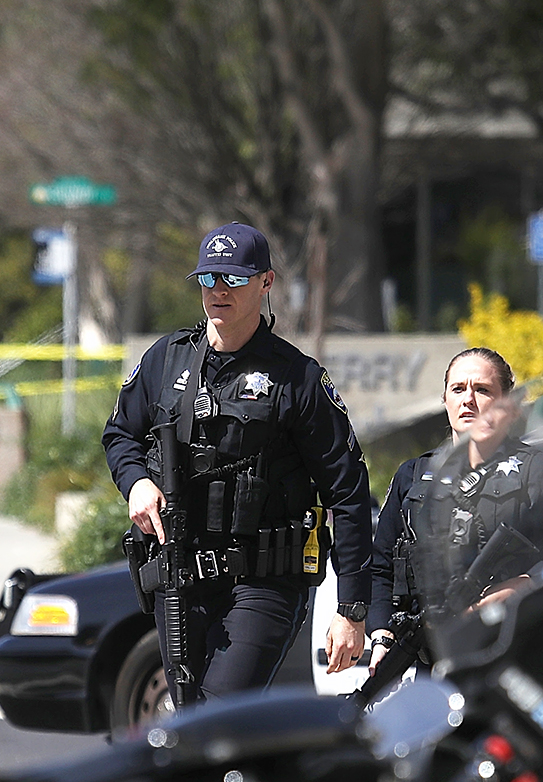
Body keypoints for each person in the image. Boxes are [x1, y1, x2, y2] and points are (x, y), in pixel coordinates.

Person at [102, 222, 372, 705]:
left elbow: (347, 490)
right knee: (188, 718)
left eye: (232, 279)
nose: (218, 291)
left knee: (219, 712)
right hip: (178, 571)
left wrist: (351, 607)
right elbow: (121, 433)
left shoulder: (298, 378)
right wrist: (137, 482)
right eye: (208, 279)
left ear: (266, 282)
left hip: (263, 580)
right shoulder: (167, 359)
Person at [367, 346, 543, 664]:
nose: (468, 400)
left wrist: (524, 586)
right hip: (428, 654)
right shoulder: (412, 475)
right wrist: (382, 638)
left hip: (513, 651)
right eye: (457, 389)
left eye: (482, 390)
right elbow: (380, 567)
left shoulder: (539, 473)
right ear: (445, 400)